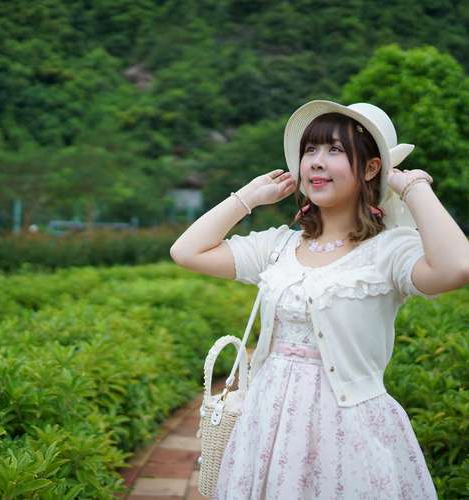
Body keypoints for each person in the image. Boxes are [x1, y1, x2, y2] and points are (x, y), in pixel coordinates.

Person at [170, 100, 469, 499]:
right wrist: (247, 198)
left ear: (371, 168)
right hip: (266, 426)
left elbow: (457, 267)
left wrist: (413, 188)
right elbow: (186, 251)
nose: (315, 161)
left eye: (335, 150)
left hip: (348, 431)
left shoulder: (389, 251)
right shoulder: (279, 246)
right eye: (310, 149)